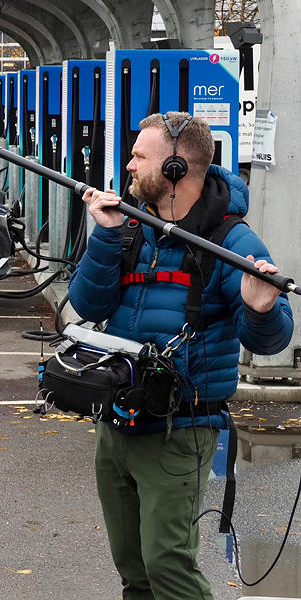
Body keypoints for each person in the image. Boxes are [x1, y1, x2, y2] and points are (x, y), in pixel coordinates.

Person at [68, 111, 294, 600]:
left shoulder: (233, 242)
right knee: (133, 568)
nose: (128, 166)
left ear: (175, 168)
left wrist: (260, 310)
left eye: (138, 157)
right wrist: (105, 234)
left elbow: (271, 341)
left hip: (179, 429)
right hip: (116, 421)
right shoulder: (131, 225)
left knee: (167, 565)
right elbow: (87, 305)